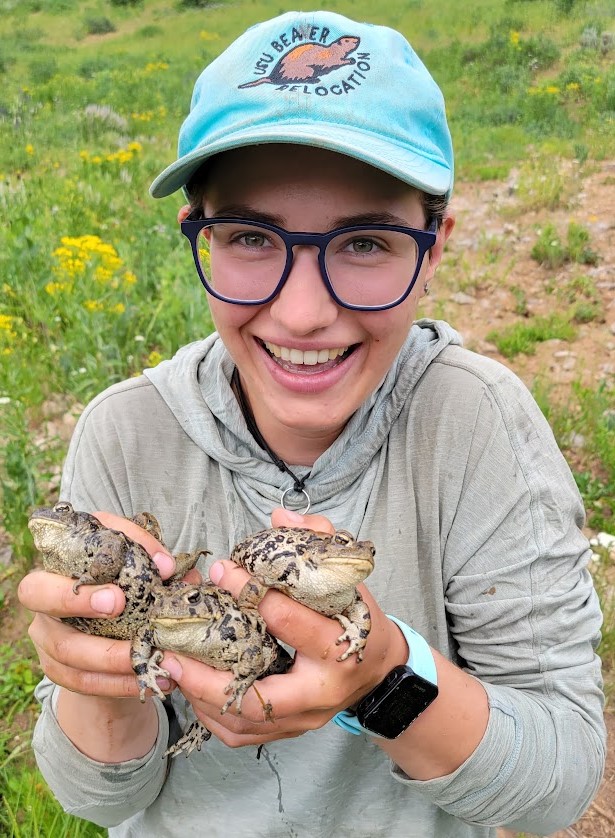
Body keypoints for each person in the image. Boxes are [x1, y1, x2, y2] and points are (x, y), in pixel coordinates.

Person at [18, 10, 605, 837]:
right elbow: (99, 797)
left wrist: (384, 679)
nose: (301, 313)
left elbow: (558, 786)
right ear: (199, 236)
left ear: (432, 250)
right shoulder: (125, 433)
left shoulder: (478, 425)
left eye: (364, 242)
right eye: (250, 236)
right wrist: (96, 672)